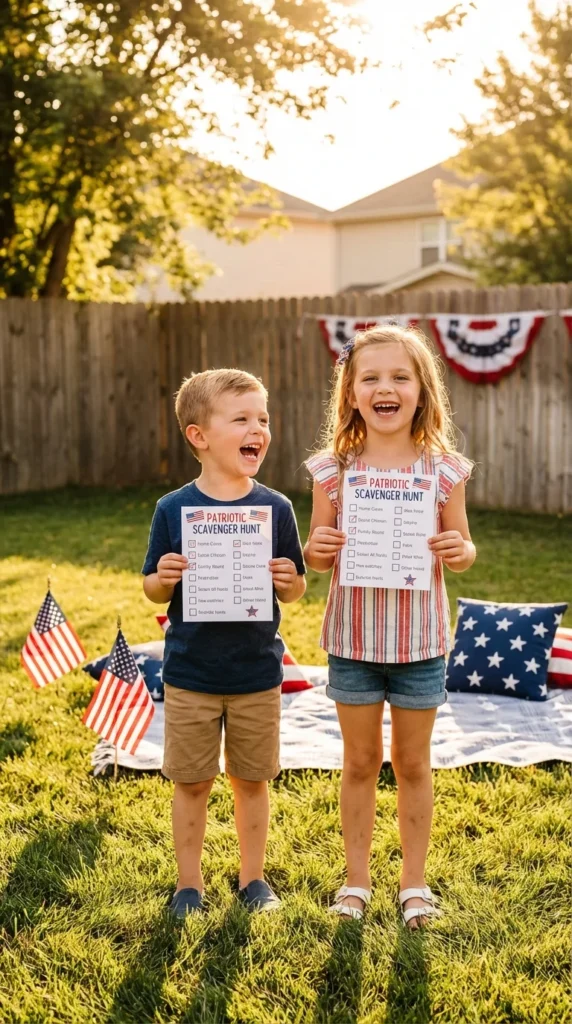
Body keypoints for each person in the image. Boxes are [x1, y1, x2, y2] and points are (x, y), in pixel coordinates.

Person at [304, 324, 475, 929]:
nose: (385, 388)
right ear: (350, 392)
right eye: (370, 378)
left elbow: (464, 545)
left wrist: (458, 550)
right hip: (353, 639)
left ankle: (414, 885)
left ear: (421, 390)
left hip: (420, 642)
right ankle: (355, 882)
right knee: (358, 761)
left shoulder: (443, 470)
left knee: (412, 763)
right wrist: (318, 546)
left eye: (400, 377)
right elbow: (318, 553)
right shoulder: (333, 470)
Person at [143, 368, 306, 917]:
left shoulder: (276, 509)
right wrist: (164, 576)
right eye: (241, 418)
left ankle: (252, 879)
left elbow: (299, 588)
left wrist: (290, 581)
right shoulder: (173, 509)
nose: (257, 427)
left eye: (262, 418)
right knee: (191, 783)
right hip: (190, 674)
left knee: (251, 780)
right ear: (199, 436)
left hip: (258, 673)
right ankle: (188, 885)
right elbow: (151, 588)